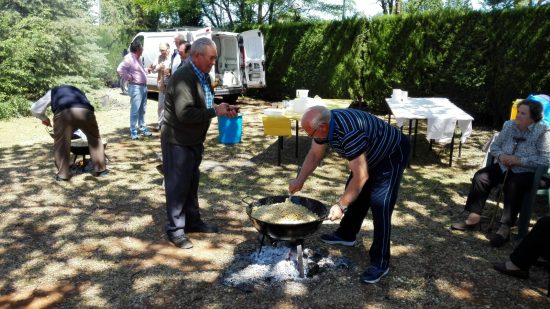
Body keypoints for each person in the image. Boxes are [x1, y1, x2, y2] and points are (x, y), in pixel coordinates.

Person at [288, 105, 410, 284]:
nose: (310, 137)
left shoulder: (349, 134)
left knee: (380, 203)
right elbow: (314, 155)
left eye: (310, 133)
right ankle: (347, 234)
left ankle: (380, 262)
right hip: (369, 152)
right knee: (355, 192)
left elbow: (361, 176)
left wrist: (341, 205)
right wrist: (300, 180)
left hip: (391, 151)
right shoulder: (325, 126)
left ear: (322, 128)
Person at [161, 37, 239, 249]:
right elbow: (184, 113)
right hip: (177, 139)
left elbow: (203, 102)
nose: (214, 61)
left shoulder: (203, 75)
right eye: (211, 57)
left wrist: (222, 107)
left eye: (215, 57)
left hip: (194, 139)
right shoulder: (183, 78)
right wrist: (215, 111)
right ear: (197, 56)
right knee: (177, 186)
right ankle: (175, 230)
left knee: (191, 182)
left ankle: (192, 221)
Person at [451, 99, 550, 247]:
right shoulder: (509, 125)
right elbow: (495, 146)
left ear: (533, 118)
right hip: (504, 165)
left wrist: (519, 160)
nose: (518, 115)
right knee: (481, 177)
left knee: (514, 185)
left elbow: (545, 159)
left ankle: (505, 228)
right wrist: (502, 156)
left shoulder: (543, 131)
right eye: (518, 111)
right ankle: (473, 218)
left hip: (527, 171)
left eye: (523, 113)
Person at [31, 85, 108, 181]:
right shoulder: (78, 90)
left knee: (61, 143)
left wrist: (45, 119)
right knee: (94, 138)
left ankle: (63, 175)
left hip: (64, 114)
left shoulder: (53, 91)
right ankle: (101, 170)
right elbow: (85, 105)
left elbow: (35, 109)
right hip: (86, 112)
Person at [117, 41, 152, 140]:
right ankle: (133, 131)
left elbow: (137, 70)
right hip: (136, 87)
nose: (143, 50)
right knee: (135, 110)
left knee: (142, 109)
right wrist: (129, 77)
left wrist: (146, 70)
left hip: (143, 87)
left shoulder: (137, 58)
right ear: (137, 49)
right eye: (142, 48)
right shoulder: (129, 58)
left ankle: (142, 127)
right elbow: (120, 69)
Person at [151, 42, 171, 130]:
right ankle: (160, 123)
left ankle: (170, 124)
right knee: (161, 105)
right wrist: (159, 66)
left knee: (171, 105)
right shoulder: (159, 58)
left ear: (168, 49)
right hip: (162, 85)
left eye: (163, 50)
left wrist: (169, 71)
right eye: (160, 50)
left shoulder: (172, 58)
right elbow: (153, 70)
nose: (161, 52)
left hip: (171, 85)